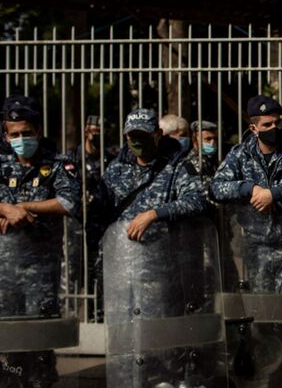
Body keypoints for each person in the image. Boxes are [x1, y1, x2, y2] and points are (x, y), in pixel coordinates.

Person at [0, 96, 80, 388]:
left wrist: (24, 208)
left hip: (40, 272)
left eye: (26, 132)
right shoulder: (1, 164)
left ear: (38, 131)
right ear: (6, 136)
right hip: (4, 272)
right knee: (12, 344)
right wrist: (6, 209)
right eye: (15, 134)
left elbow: (68, 202)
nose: (21, 139)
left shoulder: (59, 164)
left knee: (39, 345)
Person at [96, 108, 211, 387]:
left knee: (163, 346)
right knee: (126, 344)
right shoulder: (115, 170)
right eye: (131, 137)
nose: (137, 142)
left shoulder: (177, 166)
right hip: (123, 275)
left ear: (157, 135)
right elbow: (100, 216)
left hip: (163, 273)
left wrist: (154, 213)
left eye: (143, 136)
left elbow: (197, 200)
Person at [210, 95, 282, 293]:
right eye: (267, 124)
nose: (274, 128)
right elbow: (217, 187)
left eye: (278, 122)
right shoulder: (240, 154)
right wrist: (251, 189)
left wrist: (274, 193)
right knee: (261, 307)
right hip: (256, 244)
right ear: (254, 129)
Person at [65, 115, 111, 321]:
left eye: (100, 131)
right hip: (75, 222)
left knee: (98, 271)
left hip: (100, 223)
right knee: (71, 271)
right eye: (93, 130)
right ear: (85, 131)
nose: (96, 135)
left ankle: (96, 318)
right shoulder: (73, 157)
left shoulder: (108, 157)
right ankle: (70, 317)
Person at [188, 119, 219, 192]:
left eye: (215, 139)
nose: (212, 143)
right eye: (208, 139)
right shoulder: (191, 162)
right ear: (194, 139)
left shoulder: (212, 160)